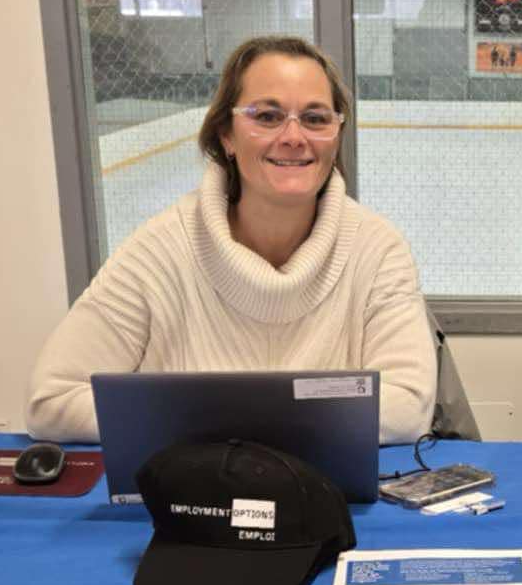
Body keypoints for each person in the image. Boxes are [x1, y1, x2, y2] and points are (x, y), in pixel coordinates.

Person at [26, 35, 436, 446]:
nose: (294, 137)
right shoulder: (159, 251)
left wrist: (199, 418)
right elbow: (52, 400)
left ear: (337, 133)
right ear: (226, 134)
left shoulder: (378, 250)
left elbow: (408, 407)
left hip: (328, 506)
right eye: (267, 116)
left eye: (315, 119)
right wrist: (293, 421)